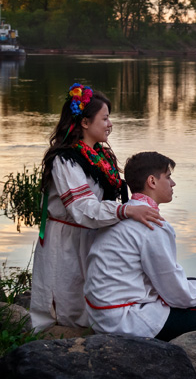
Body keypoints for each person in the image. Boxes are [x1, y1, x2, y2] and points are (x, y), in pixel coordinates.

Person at [30, 83, 163, 331]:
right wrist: (125, 211)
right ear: (85, 123)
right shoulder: (65, 159)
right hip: (68, 237)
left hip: (93, 233)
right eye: (105, 118)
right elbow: (81, 208)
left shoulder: (101, 156)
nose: (110, 124)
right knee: (66, 297)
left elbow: (110, 198)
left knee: (91, 294)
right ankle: (56, 338)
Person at [84, 151, 196, 343]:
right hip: (124, 319)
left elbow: (168, 283)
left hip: (102, 313)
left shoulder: (125, 213)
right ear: (152, 181)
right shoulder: (152, 225)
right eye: (168, 177)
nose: (173, 183)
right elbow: (173, 289)